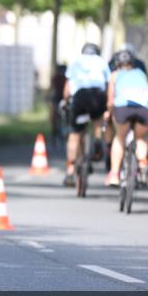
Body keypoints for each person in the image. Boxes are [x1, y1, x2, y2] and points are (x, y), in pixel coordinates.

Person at [106, 48, 148, 187]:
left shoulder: (114, 75)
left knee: (119, 138)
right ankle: (142, 164)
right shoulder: (141, 73)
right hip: (144, 108)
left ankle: (114, 174)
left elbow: (110, 102)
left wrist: (109, 113)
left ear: (117, 63)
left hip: (123, 107)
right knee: (140, 139)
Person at [62, 43, 110, 188]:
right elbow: (108, 85)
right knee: (98, 119)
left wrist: (65, 101)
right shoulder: (102, 62)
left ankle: (70, 170)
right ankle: (97, 141)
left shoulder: (75, 62)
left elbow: (68, 87)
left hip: (80, 96)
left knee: (74, 135)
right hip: (97, 95)